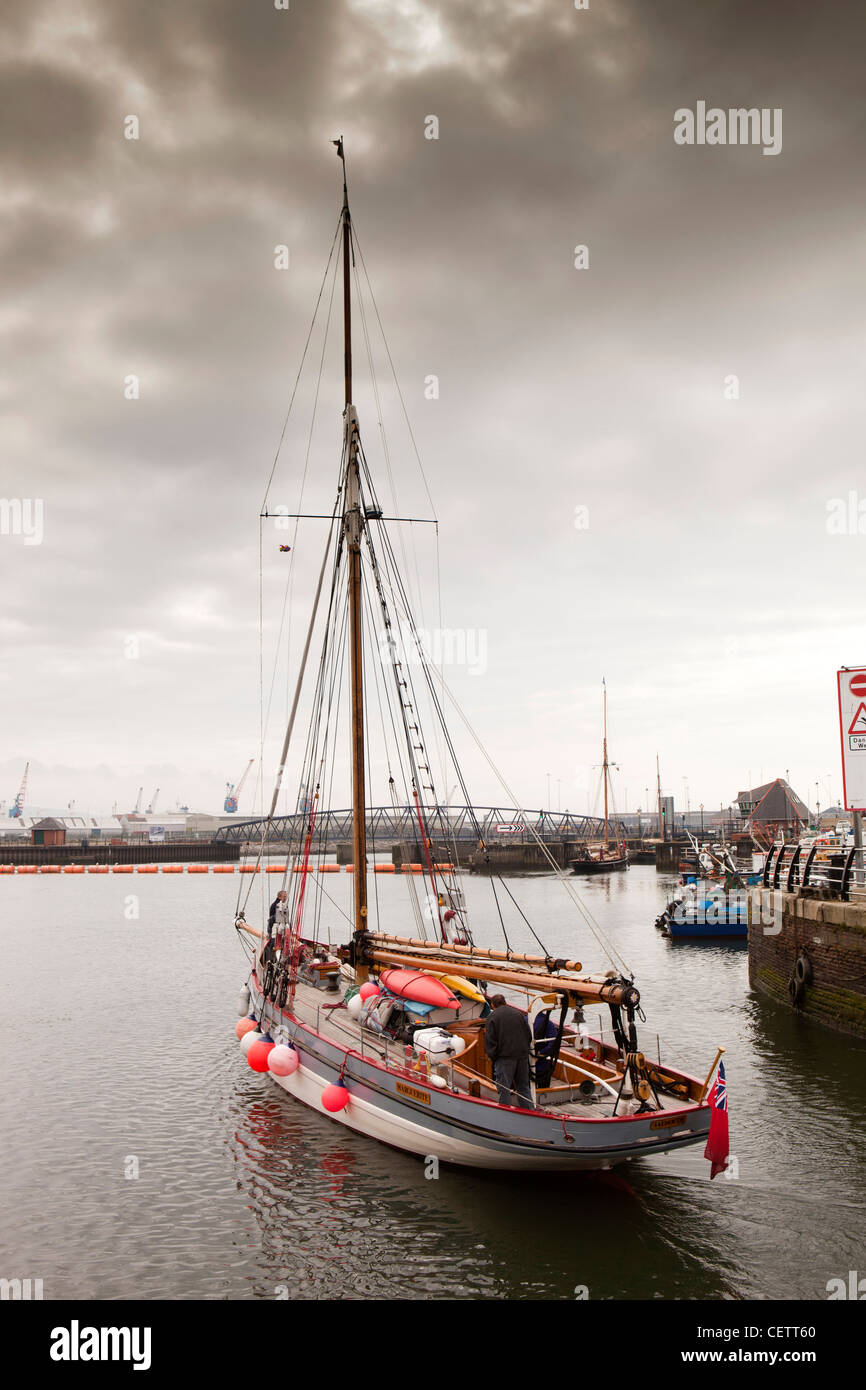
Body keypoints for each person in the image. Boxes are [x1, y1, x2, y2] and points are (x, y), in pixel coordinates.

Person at [484, 994, 534, 1109]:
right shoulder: (518, 1014)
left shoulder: (493, 1017)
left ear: (492, 1005)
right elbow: (528, 1035)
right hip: (522, 1056)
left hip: (504, 1058)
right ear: (505, 1002)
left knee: (504, 1089)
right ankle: (530, 1112)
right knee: (523, 1087)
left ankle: (505, 1112)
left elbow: (490, 1041)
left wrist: (494, 1057)